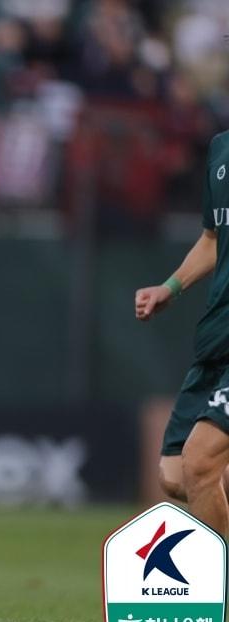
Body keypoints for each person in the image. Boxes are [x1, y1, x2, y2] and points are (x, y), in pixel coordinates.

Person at [136, 129, 229, 538]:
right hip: (218, 331)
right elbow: (213, 238)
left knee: (200, 461)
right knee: (175, 476)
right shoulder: (220, 148)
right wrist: (170, 287)